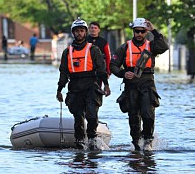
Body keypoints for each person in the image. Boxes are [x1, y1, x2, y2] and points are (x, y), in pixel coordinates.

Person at [110, 18, 169, 151]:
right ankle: (136, 143)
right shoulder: (124, 47)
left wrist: (154, 31)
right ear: (133, 31)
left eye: (142, 31)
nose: (139, 34)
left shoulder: (152, 46)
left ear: (146, 32)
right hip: (131, 86)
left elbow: (164, 47)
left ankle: (148, 140)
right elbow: (113, 65)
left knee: (148, 114)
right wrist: (123, 73)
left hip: (147, 83)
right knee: (134, 118)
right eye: (137, 31)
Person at [56, 17, 111, 150]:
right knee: (78, 117)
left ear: (85, 32)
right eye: (77, 31)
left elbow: (101, 68)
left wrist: (106, 85)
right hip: (75, 87)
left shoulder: (94, 49)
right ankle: (80, 142)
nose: (79, 33)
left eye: (82, 31)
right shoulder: (67, 52)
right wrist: (59, 90)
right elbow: (63, 72)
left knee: (92, 115)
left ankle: (92, 139)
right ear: (73, 33)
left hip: (91, 86)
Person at [87, 21, 112, 86]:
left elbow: (108, 56)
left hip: (99, 69)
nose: (93, 29)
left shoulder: (103, 42)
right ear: (89, 29)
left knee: (97, 89)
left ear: (99, 30)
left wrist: (108, 71)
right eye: (92, 28)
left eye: (95, 28)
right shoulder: (84, 40)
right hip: (86, 70)